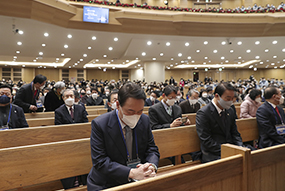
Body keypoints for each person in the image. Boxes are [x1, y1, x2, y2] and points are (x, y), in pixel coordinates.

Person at [87, 82, 160, 190]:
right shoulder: (100, 124)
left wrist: (151, 166)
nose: (135, 116)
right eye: (130, 111)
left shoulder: (144, 120)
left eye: (140, 111)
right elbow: (100, 162)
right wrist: (131, 172)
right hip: (107, 182)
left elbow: (152, 149)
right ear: (117, 105)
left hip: (139, 178)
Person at [196, 82, 243, 163]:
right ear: (217, 96)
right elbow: (206, 140)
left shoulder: (230, 110)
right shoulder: (203, 113)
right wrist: (227, 151)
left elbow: (235, 133)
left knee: (251, 155)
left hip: (230, 148)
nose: (231, 101)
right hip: (213, 153)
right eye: (228, 99)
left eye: (232, 98)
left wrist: (240, 147)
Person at [54, 89, 88, 188]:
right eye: (67, 96)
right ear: (63, 98)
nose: (69, 98)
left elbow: (85, 123)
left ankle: (84, 181)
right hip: (66, 142)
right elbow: (58, 128)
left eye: (71, 96)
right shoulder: (59, 111)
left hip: (80, 141)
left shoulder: (80, 108)